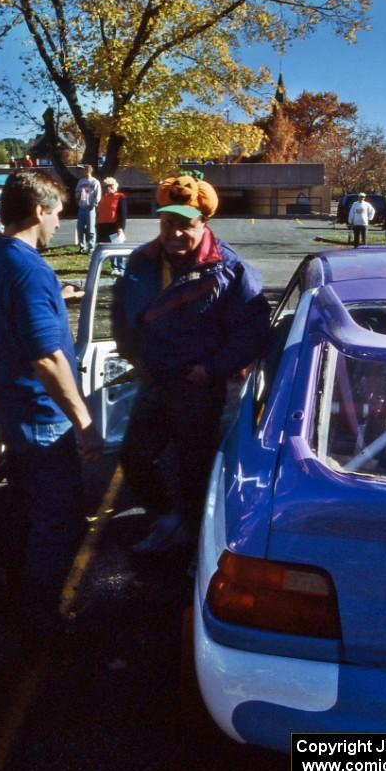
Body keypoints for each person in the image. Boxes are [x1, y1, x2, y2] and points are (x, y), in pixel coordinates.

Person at [112, 174, 270, 554]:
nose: (175, 233)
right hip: (153, 381)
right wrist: (134, 355)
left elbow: (253, 331)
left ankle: (194, 544)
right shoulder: (142, 261)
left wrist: (212, 369)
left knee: (194, 469)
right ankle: (168, 521)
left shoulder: (230, 270)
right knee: (134, 457)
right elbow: (121, 312)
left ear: (205, 224)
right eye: (168, 223)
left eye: (186, 225)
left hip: (197, 387)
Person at [0, 170, 102, 634]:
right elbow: (48, 358)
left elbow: (18, 320)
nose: (57, 226)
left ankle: (18, 599)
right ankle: (44, 620)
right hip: (43, 416)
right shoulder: (30, 269)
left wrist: (59, 297)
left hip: (13, 410)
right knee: (57, 519)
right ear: (37, 211)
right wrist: (85, 421)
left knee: (27, 510)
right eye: (56, 216)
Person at [97, 176, 127, 275]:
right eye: (106, 186)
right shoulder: (103, 198)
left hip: (115, 226)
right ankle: (114, 267)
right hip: (104, 226)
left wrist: (121, 227)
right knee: (109, 248)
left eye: (111, 185)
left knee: (118, 248)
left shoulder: (120, 196)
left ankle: (121, 268)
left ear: (115, 186)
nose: (109, 188)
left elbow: (122, 213)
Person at [74, 164, 101, 254]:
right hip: (82, 207)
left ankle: (91, 247)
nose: (82, 171)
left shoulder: (94, 182)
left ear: (88, 171)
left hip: (90, 208)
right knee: (80, 228)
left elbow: (98, 194)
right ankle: (82, 247)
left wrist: (94, 204)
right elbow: (77, 192)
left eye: (84, 170)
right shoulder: (81, 181)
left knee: (91, 229)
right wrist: (78, 197)